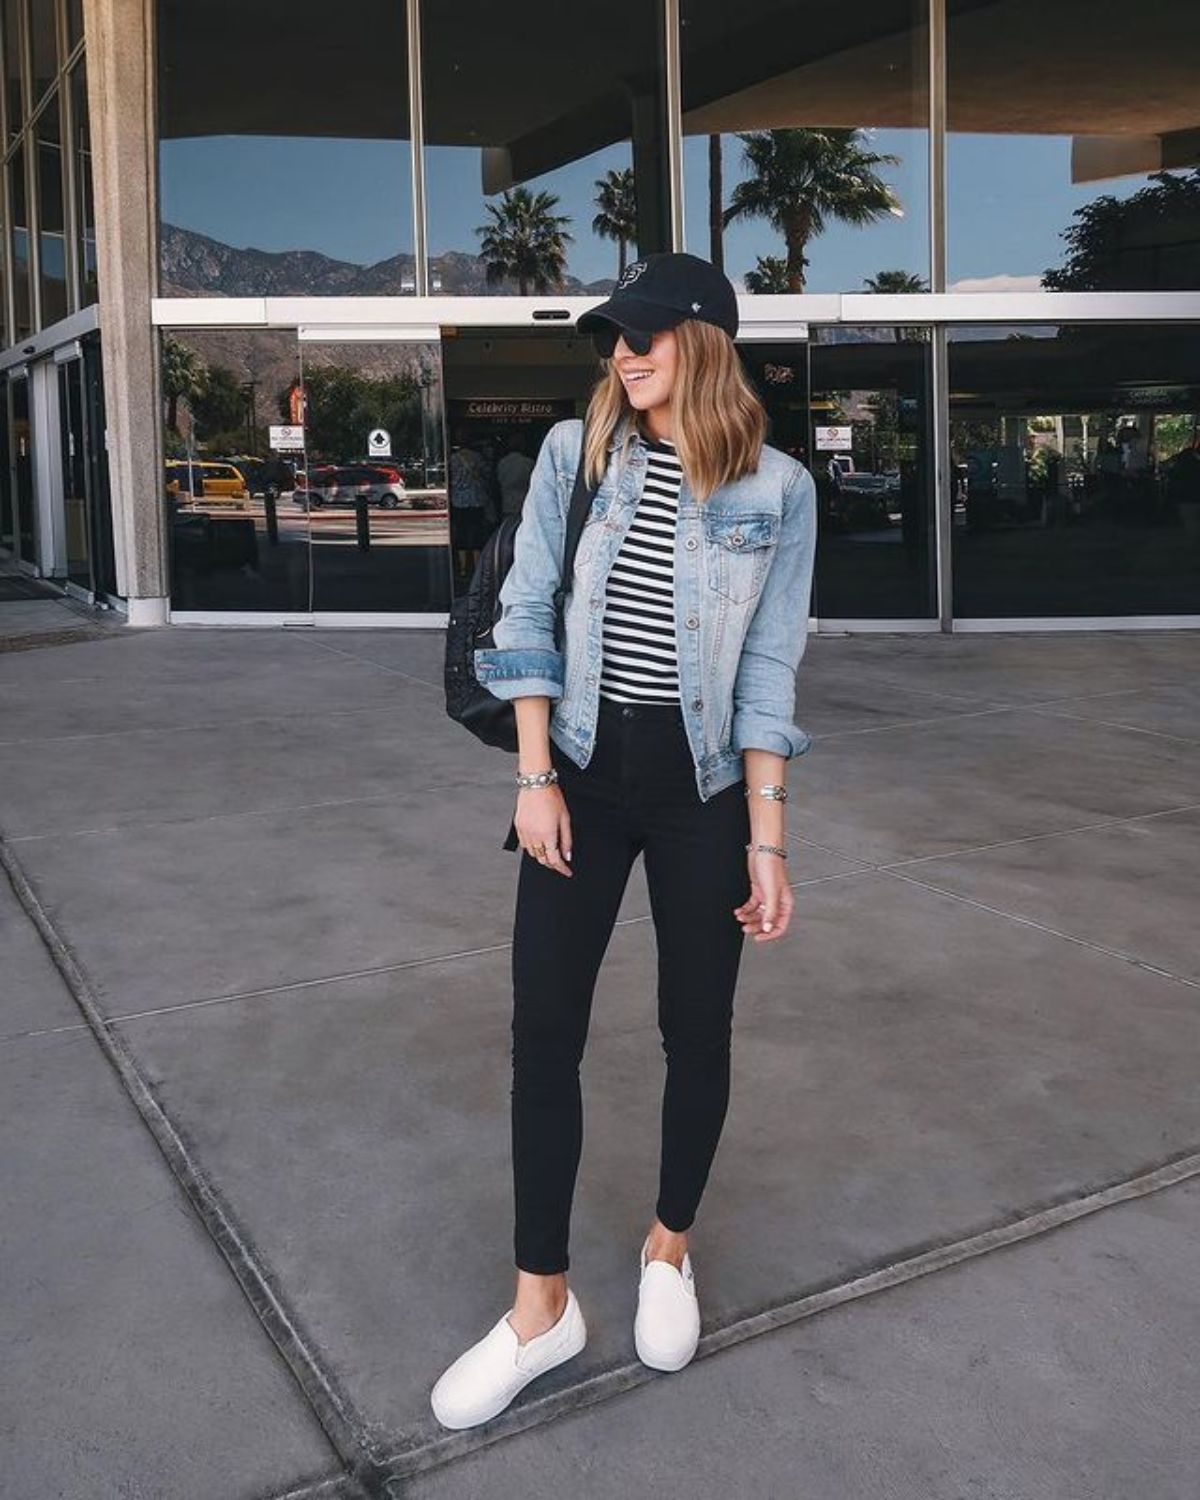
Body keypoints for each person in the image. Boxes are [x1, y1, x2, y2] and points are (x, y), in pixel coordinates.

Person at [430, 253, 817, 1430]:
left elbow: (767, 669)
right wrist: (534, 774)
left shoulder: (780, 491)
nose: (622, 354)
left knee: (696, 1028)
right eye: (612, 338)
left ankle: (667, 1248)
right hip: (583, 783)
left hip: (703, 793)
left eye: (642, 335)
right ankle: (541, 1308)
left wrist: (765, 841)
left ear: (701, 339)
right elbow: (527, 607)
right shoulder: (576, 453)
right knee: (543, 1029)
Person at [496, 432, 536, 517]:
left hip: (507, 504)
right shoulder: (528, 463)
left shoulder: (502, 463)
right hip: (524, 503)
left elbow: (499, 481)